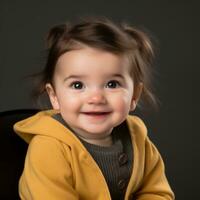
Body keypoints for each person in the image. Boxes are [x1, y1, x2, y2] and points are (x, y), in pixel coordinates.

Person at [14, 17, 175, 200]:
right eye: (77, 85)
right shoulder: (49, 149)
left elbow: (156, 192)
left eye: (112, 84)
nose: (96, 98)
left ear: (134, 95)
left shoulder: (138, 140)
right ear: (54, 96)